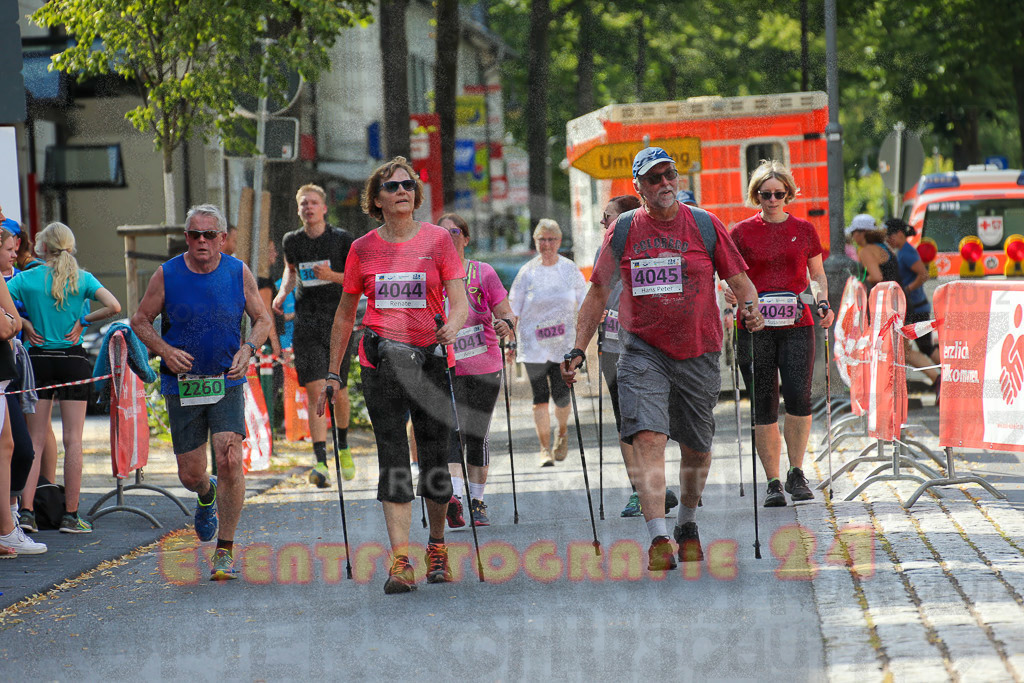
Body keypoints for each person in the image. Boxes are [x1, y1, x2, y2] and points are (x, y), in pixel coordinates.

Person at [563, 146, 763, 571]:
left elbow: (742, 283)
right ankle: (658, 537)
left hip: (698, 350)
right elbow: (597, 293)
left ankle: (686, 522)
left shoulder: (705, 224)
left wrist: (751, 309)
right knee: (648, 438)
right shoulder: (623, 230)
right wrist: (579, 348)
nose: (665, 183)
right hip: (642, 350)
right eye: (654, 178)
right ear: (639, 187)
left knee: (697, 448)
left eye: (669, 174)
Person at [316, 157, 468, 595]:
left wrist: (453, 325)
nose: (402, 190)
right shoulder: (362, 249)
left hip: (431, 357)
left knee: (434, 459)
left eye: (407, 185)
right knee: (394, 457)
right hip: (380, 359)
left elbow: (459, 300)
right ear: (376, 200)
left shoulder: (439, 240)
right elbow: (345, 315)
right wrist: (333, 373)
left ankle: (436, 546)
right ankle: (401, 560)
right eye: (392, 186)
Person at [131, 204, 271, 579]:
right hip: (184, 385)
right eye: (195, 235)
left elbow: (263, 319)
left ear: (222, 238)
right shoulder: (167, 274)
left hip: (226, 379)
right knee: (190, 474)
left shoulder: (237, 272)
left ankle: (225, 549)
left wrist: (248, 349)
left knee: (229, 457)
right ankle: (206, 494)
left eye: (210, 235)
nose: (202, 241)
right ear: (187, 238)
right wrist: (165, 351)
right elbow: (140, 320)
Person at [727, 159, 835, 508]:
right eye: (765, 194)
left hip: (796, 325)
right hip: (755, 327)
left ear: (788, 194)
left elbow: (817, 275)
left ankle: (796, 472)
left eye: (778, 193)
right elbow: (729, 277)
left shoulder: (803, 229)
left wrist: (822, 302)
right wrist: (730, 294)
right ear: (755, 195)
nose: (772, 200)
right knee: (764, 404)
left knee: (799, 398)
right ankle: (773, 481)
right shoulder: (741, 232)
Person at [8, 222, 122, 535]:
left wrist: (23, 324)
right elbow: (114, 306)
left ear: (43, 248)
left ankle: (27, 513)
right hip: (73, 361)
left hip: (39, 361)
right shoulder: (82, 278)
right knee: (74, 440)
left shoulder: (26, 278)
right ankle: (71, 515)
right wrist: (84, 320)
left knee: (35, 439)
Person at [596, 195, 679, 519]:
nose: (603, 223)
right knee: (626, 423)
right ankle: (639, 489)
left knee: (655, 420)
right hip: (612, 347)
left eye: (608, 217)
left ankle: (657, 483)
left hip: (648, 347)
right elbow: (596, 297)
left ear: (624, 220)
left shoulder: (650, 249)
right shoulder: (604, 251)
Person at [273, 185, 356, 487]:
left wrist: (331, 276)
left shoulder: (342, 239)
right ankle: (320, 461)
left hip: (338, 321)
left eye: (313, 203)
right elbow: (291, 270)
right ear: (299, 210)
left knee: (338, 390)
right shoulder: (292, 241)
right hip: (306, 323)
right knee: (316, 390)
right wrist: (283, 292)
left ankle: (342, 445)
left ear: (324, 208)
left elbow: (357, 279)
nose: (308, 207)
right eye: (303, 204)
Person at [438, 212, 515, 528]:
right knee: (453, 430)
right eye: (442, 233)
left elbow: (507, 313)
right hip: (447, 365)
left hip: (485, 364)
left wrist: (505, 324)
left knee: (476, 433)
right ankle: (456, 499)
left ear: (466, 238)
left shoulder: (483, 273)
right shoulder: (432, 277)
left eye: (454, 232)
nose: (448, 237)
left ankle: (477, 501)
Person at [508, 219, 586, 467]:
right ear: (535, 242)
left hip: (563, 345)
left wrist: (586, 335)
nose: (547, 244)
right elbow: (512, 310)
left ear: (559, 241)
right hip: (534, 346)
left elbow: (585, 302)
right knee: (540, 397)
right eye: (542, 239)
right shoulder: (527, 272)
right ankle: (544, 448)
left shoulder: (569, 269)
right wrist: (510, 341)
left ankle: (561, 432)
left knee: (562, 396)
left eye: (552, 239)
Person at [848, 214, 939, 386]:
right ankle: (936, 379)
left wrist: (859, 283)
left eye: (854, 233)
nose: (853, 237)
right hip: (901, 303)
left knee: (898, 350)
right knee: (903, 350)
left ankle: (937, 379)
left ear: (862, 233)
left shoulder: (866, 251)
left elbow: (876, 276)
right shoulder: (885, 247)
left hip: (889, 307)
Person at [0, 237, 44, 556]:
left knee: (15, 448)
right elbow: (8, 327)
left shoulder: (11, 279)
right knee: (17, 447)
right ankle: (8, 525)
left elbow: (14, 324)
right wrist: (10, 321)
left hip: (5, 380)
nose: (15, 254)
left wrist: (12, 321)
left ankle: (9, 522)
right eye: (8, 248)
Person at [885, 217, 939, 364]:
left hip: (917, 306)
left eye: (890, 236)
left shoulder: (907, 252)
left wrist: (907, 290)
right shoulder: (902, 251)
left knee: (926, 347)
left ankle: (949, 371)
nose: (888, 240)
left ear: (900, 234)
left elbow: (924, 274)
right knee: (921, 346)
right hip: (916, 305)